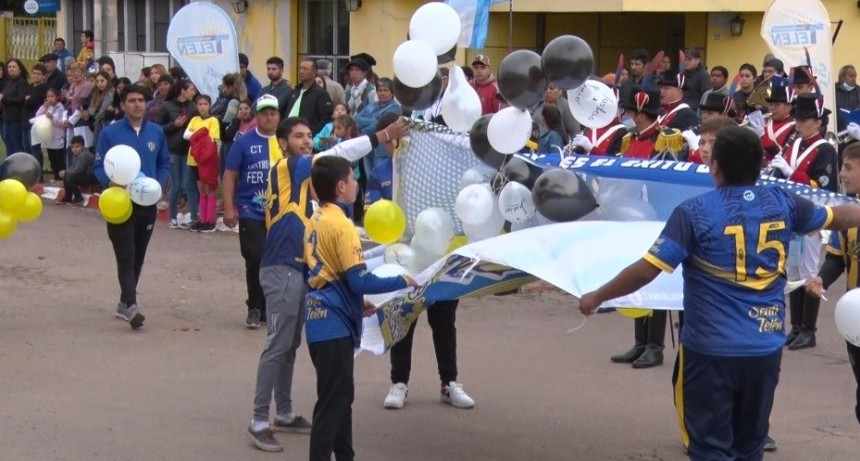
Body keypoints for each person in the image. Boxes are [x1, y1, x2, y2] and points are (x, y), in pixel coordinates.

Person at [579, 124, 860, 460]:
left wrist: (597, 296)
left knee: (710, 448)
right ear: (760, 167)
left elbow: (647, 269)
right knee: (750, 446)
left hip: (710, 352)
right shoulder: (783, 201)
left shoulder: (694, 212)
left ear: (714, 166)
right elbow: (839, 217)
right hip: (765, 349)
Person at [246, 114, 410, 452]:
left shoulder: (310, 192)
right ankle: (259, 420)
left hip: (297, 268)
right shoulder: (289, 166)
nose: (306, 141)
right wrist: (381, 135)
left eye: (309, 135)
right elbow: (337, 156)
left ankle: (284, 411)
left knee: (289, 343)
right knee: (279, 343)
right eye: (298, 136)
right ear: (282, 144)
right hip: (282, 266)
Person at [304, 154, 418, 461]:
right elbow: (358, 280)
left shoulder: (316, 218)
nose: (357, 183)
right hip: (333, 324)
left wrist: (355, 302)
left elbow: (322, 273)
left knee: (341, 398)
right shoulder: (342, 225)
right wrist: (401, 279)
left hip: (321, 317)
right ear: (341, 187)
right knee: (332, 403)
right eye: (352, 179)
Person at [93, 84, 170, 330]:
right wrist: (110, 182)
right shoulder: (110, 133)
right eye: (132, 101)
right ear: (123, 105)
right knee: (125, 255)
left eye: (141, 100)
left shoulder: (156, 132)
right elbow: (98, 166)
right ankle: (132, 306)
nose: (138, 105)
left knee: (138, 255)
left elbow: (164, 163)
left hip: (146, 204)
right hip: (120, 203)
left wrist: (157, 185)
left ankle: (124, 302)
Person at [770, 94, 838, 350]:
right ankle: (796, 326)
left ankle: (809, 330)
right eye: (797, 118)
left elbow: (823, 186)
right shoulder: (795, 142)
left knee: (809, 271)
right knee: (793, 270)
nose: (798, 123)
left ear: (818, 122)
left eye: (805, 119)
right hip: (791, 213)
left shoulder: (825, 149)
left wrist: (791, 173)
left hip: (812, 215)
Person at [805, 142, 860, 427]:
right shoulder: (848, 214)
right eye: (842, 167)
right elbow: (837, 259)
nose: (842, 174)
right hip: (856, 319)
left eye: (848, 168)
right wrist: (821, 279)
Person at [223, 94, 284, 328]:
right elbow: (230, 175)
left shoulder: (285, 141)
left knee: (276, 259)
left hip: (281, 212)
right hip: (251, 209)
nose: (269, 118)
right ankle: (255, 306)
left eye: (273, 114)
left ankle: (269, 307)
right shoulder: (243, 142)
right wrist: (229, 207)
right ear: (256, 116)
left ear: (278, 116)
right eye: (264, 114)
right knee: (255, 256)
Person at [158, 80, 197, 229]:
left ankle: (194, 216)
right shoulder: (166, 106)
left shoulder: (193, 107)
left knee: (189, 184)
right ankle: (173, 217)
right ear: (182, 91)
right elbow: (158, 128)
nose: (193, 92)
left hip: (189, 151)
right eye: (191, 89)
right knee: (176, 185)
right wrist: (174, 125)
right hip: (173, 150)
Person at [184, 94, 221, 232]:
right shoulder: (194, 119)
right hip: (194, 159)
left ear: (210, 106)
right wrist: (200, 135)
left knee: (209, 189)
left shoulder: (213, 121)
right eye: (200, 104)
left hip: (207, 160)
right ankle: (203, 219)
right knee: (201, 190)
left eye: (205, 104)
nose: (202, 107)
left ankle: (210, 220)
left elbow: (210, 140)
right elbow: (186, 135)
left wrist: (195, 136)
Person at [284, 58, 333, 134]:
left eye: (305, 69)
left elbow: (325, 119)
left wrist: (311, 134)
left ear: (314, 72)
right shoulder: (295, 91)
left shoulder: (321, 94)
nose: (301, 71)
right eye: (300, 68)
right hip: (288, 134)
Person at [31, 88, 66, 181]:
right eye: (48, 97)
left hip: (58, 137)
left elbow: (62, 123)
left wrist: (52, 118)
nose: (50, 99)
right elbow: (37, 116)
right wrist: (44, 106)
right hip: (48, 136)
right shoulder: (46, 107)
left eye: (52, 96)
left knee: (59, 158)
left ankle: (63, 178)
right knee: (52, 158)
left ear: (57, 97)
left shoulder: (61, 108)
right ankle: (56, 176)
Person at [56, 135, 96, 205]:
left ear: (83, 146)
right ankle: (68, 197)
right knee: (67, 175)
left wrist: (65, 172)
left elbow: (78, 170)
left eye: (77, 147)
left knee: (69, 176)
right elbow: (73, 168)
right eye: (73, 147)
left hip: (91, 176)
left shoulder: (85, 155)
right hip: (84, 175)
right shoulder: (77, 155)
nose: (74, 149)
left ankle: (78, 198)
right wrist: (64, 172)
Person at [1, 59, 30, 155]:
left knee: (17, 145)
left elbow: (20, 100)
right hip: (6, 118)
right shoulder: (8, 83)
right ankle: (10, 163)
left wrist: (4, 99)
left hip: (16, 119)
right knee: (8, 144)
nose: (11, 69)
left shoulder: (22, 83)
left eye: (14, 67)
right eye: (9, 67)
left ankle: (19, 163)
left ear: (19, 69)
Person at [759, 85, 795, 163]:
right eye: (771, 104)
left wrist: (761, 135)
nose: (772, 108)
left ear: (788, 107)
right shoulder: (765, 122)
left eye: (777, 104)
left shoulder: (794, 127)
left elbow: (783, 154)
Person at [83, 71, 116, 143]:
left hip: (107, 124)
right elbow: (90, 110)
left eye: (102, 81)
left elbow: (103, 111)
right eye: (97, 81)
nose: (99, 84)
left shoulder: (112, 92)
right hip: (97, 126)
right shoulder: (95, 93)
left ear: (107, 81)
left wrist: (95, 110)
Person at [836, 65, 859, 132]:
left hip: (855, 130)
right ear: (842, 77)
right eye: (851, 76)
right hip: (837, 129)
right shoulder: (833, 90)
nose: (854, 79)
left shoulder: (858, 90)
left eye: (855, 77)